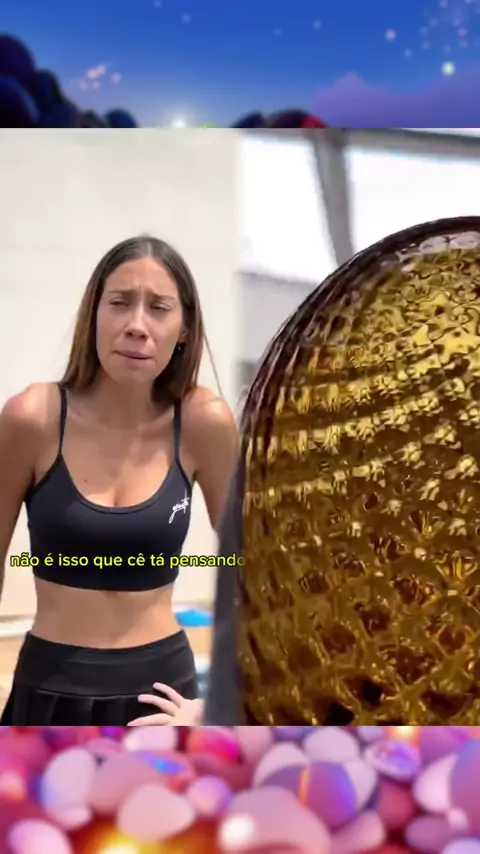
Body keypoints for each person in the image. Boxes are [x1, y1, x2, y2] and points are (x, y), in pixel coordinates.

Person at [0, 235, 238, 726]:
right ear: (94, 314)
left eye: (158, 308)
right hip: (47, 689)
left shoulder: (203, 422)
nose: (136, 325)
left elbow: (253, 570)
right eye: (120, 303)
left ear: (184, 329)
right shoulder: (33, 418)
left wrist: (216, 705)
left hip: (163, 696)